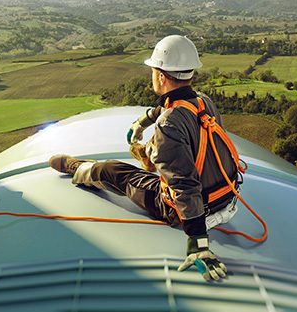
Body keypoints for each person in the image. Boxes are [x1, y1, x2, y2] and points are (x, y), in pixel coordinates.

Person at [49, 34, 242, 282]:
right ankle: (149, 154)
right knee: (166, 145)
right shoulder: (203, 101)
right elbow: (172, 106)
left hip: (190, 210)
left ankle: (79, 168)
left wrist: (198, 242)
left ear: (161, 76)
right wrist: (143, 121)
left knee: (112, 171)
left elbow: (184, 185)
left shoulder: (169, 124)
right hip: (226, 198)